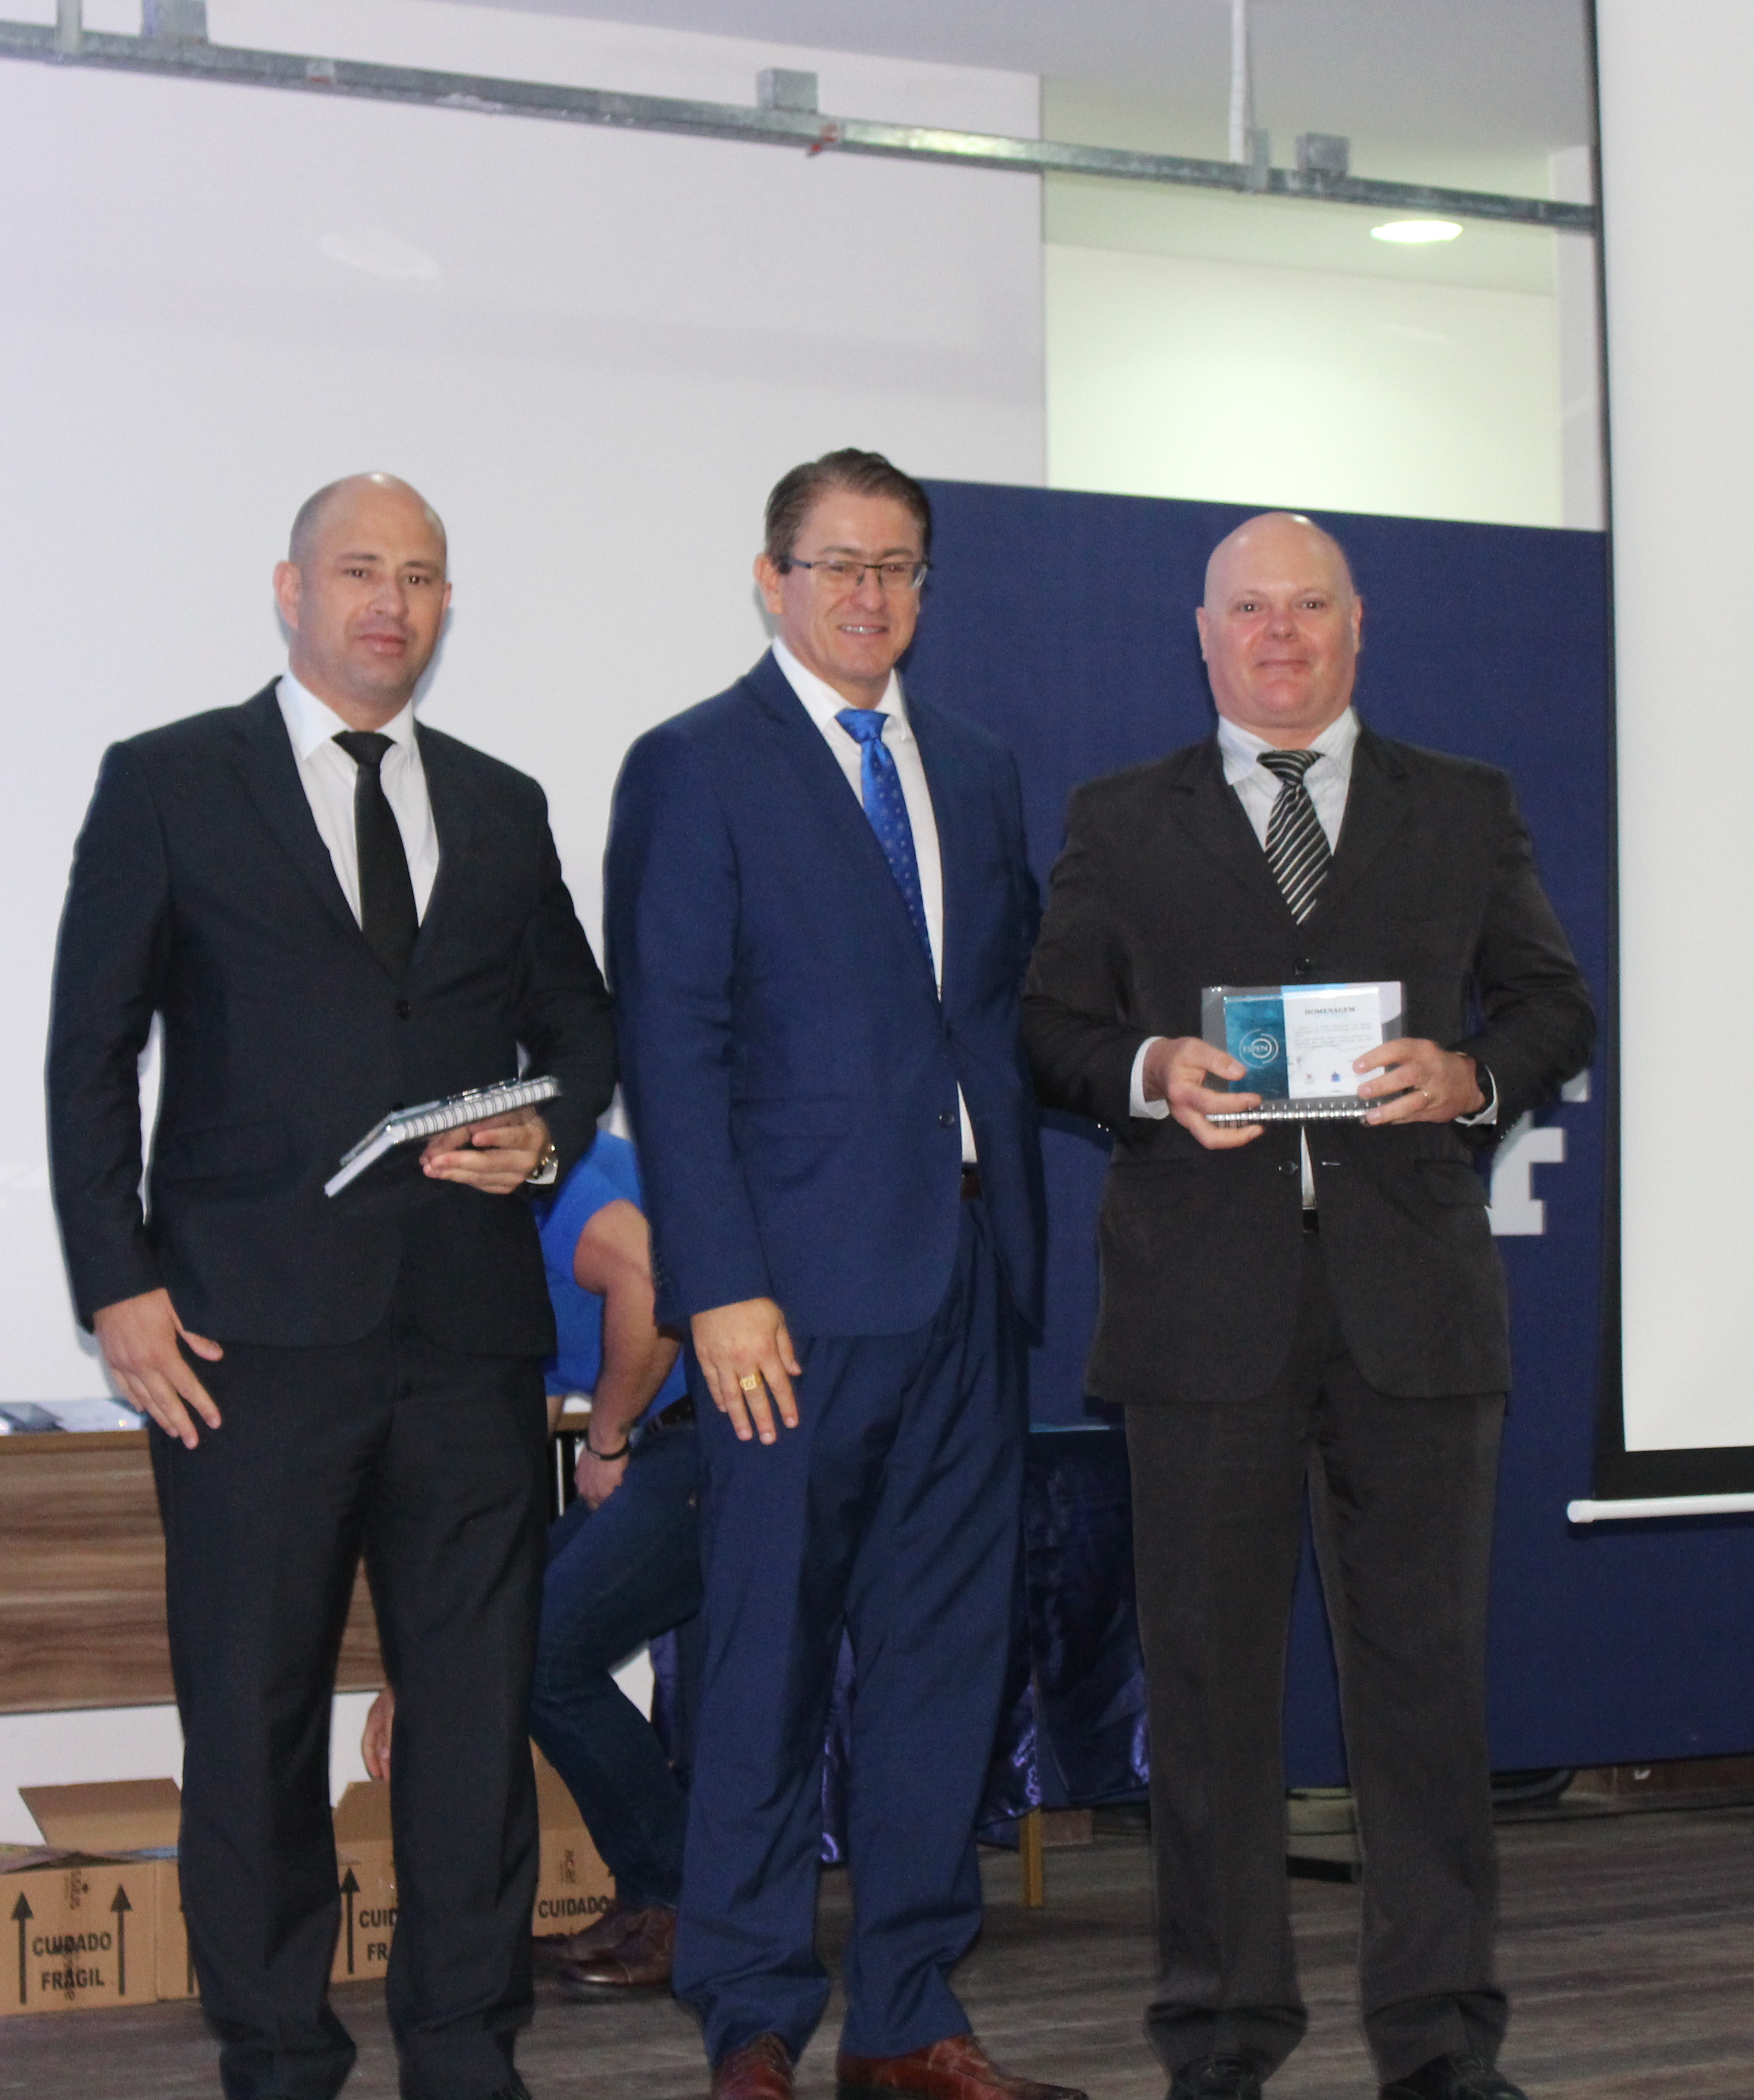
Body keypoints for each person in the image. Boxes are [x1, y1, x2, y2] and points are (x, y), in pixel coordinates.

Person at [45, 475, 614, 2100]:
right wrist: (116, 1287)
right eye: (360, 570)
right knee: (252, 1721)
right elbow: (91, 1050)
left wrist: (548, 1131)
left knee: (473, 1721)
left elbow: (581, 1027)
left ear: (446, 606)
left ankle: (466, 2053)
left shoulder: (500, 802)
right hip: (243, 1340)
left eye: (421, 577)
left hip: (470, 1342)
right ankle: (280, 2055)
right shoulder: (168, 781)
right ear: (289, 590)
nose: (391, 602)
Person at [1020, 515, 1597, 2100]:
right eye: (1250, 609)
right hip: (1201, 1317)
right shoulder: (1120, 818)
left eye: (1309, 607)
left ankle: (1441, 2043)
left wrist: (1474, 1075)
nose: (1279, 635)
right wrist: (1150, 1068)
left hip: (1416, 1312)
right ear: (1204, 635)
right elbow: (1050, 1025)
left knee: (1425, 1695)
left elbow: (1554, 1003)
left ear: (1359, 627)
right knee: (1208, 1700)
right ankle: (1220, 2038)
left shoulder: (1462, 806)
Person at [602, 450, 1077, 2100]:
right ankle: (749, 2019)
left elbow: (997, 1017)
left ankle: (907, 2018)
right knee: (764, 1668)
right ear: (772, 578)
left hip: (968, 1282)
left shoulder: (978, 766)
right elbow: (670, 1040)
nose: (870, 596)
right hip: (785, 1310)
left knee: (944, 1670)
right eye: (838, 565)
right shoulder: (695, 765)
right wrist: (717, 1284)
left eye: (898, 569)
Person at [361, 1133, 698, 1998]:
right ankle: (663, 1894)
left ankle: (681, 1900)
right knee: (513, 1628)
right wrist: (415, 1668)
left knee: (544, 1655)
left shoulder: (534, 1175)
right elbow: (508, 1467)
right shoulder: (483, 1256)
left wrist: (607, 1437)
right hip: (669, 1443)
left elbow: (649, 1278)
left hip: (717, 1436)